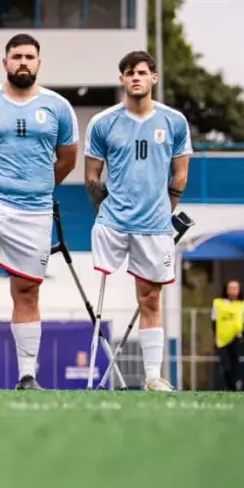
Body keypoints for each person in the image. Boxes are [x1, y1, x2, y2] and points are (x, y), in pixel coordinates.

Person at [0, 33, 79, 390]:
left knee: (27, 293)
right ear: (5, 62)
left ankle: (27, 376)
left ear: (39, 63)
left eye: (29, 57)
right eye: (17, 56)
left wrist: (39, 186)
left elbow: (67, 159)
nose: (23, 62)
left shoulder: (58, 107)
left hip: (34, 210)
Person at [84, 50, 192, 392]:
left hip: (155, 225)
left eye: (142, 72)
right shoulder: (103, 122)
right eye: (129, 73)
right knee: (101, 291)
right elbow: (91, 176)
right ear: (121, 79)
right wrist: (103, 210)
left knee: (150, 298)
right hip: (113, 222)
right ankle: (92, 376)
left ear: (153, 78)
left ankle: (152, 377)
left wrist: (165, 209)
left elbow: (180, 174)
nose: (135, 78)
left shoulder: (174, 121)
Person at [212, 279, 244, 391]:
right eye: (230, 288)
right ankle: (231, 385)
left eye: (235, 288)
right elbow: (214, 322)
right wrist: (215, 337)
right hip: (222, 339)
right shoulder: (218, 304)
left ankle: (234, 386)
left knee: (235, 364)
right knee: (225, 365)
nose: (233, 291)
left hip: (236, 338)